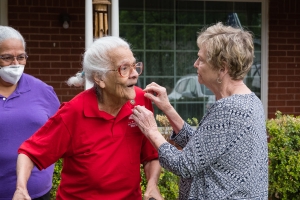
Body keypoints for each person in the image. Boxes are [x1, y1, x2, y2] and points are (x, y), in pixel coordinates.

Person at [12, 36, 163, 200]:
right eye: (124, 68)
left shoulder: (141, 101)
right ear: (100, 78)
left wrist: (152, 185)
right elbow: (29, 153)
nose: (134, 74)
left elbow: (152, 156)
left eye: (135, 66)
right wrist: (21, 188)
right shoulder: (73, 112)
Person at [131, 22, 268, 200]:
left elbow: (184, 164)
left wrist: (151, 131)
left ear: (222, 68)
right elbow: (202, 147)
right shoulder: (250, 101)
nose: (195, 64)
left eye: (201, 60)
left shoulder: (230, 110)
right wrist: (167, 108)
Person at [0, 26, 60, 200]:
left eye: (21, 57)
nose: (16, 64)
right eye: (7, 58)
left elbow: (61, 132)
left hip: (37, 193)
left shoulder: (42, 91)